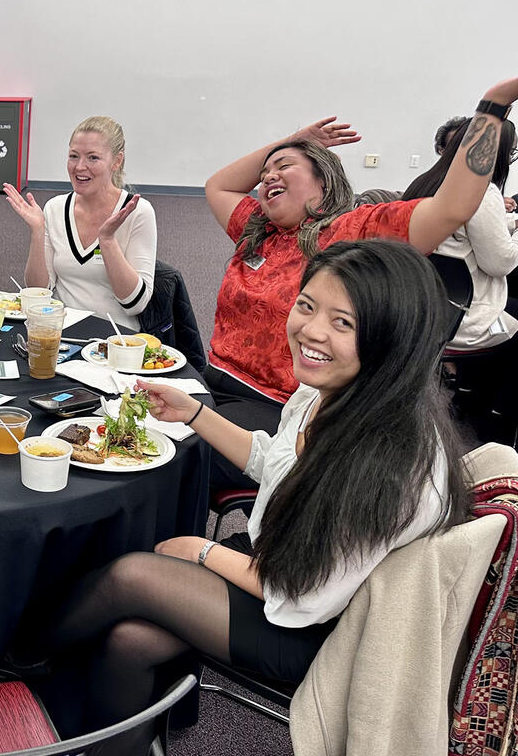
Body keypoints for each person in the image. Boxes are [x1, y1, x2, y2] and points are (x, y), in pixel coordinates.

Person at [26, 240, 469, 753]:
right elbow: (272, 463)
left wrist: (203, 551)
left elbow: (303, 595)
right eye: (307, 305)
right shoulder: (328, 392)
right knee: (132, 639)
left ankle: (20, 661)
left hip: (317, 626)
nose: (312, 331)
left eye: (343, 323)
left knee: (131, 574)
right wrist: (193, 413)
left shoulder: (389, 460)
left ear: (392, 338)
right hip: (280, 560)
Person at [200, 75, 518, 489]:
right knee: (135, 408)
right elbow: (218, 185)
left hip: (277, 405)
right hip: (212, 378)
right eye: (264, 174)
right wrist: (294, 142)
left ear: (324, 179)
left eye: (284, 167)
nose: (267, 178)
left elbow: (451, 208)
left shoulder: (351, 233)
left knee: (175, 450)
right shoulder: (256, 229)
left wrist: (493, 106)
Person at [2, 116, 156, 328]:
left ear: (117, 161)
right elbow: (39, 292)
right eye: (73, 156)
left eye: (93, 158)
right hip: (59, 332)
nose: (80, 167)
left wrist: (107, 241)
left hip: (115, 338)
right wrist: (38, 232)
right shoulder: (55, 208)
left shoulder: (138, 212)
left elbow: (136, 304)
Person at [403, 117, 518, 350]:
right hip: (460, 319)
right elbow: (500, 264)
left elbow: (461, 229)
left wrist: (510, 224)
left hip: (416, 307)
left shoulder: (425, 182)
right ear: (500, 154)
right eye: (511, 152)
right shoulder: (482, 191)